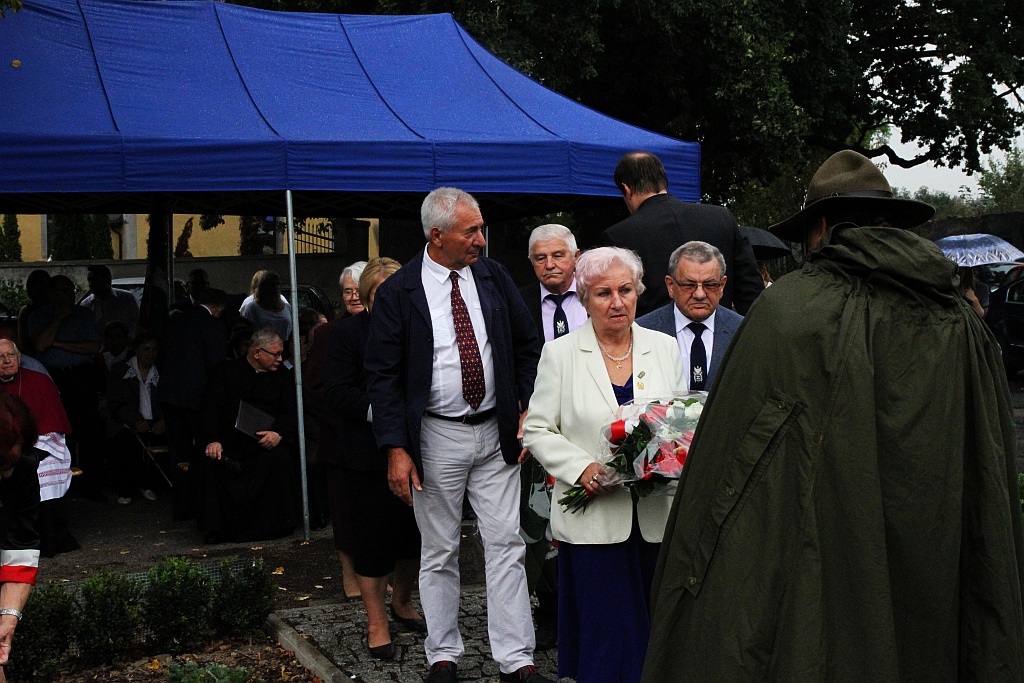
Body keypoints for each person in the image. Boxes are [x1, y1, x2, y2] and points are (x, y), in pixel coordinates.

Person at [642, 150, 1024, 681]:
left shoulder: (789, 310)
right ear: (889, 223)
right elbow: (990, 470)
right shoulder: (960, 317)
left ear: (819, 228)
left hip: (826, 578)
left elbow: (728, 479)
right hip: (937, 573)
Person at [365, 187, 548, 683]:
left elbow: (529, 345)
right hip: (435, 437)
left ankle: (517, 659)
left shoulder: (492, 276)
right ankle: (442, 655)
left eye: (481, 227)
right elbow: (381, 376)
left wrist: (526, 405)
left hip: (496, 433)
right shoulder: (401, 291)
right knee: (439, 548)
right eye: (471, 231)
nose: (481, 239)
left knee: (506, 543)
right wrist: (397, 448)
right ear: (436, 234)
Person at [522, 247, 686, 683]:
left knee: (654, 631)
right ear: (583, 297)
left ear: (639, 293)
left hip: (653, 518)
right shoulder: (560, 354)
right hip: (593, 519)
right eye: (603, 293)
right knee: (605, 634)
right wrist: (582, 469)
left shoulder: (665, 347)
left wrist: (664, 458)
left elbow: (678, 421)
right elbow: (538, 430)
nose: (617, 302)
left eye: (626, 290)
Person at [324, 257, 423, 661]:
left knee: (411, 538)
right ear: (366, 295)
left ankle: (402, 603)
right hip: (363, 456)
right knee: (371, 543)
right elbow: (336, 391)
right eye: (383, 291)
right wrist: (383, 410)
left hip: (418, 451)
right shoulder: (346, 335)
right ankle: (376, 623)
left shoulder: (420, 332)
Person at [518, 223, 587, 651]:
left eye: (558, 255)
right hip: (538, 431)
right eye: (541, 258)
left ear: (575, 257)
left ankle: (586, 608)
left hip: (589, 426)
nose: (550, 265)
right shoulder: (519, 304)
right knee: (540, 525)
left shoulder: (600, 294)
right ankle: (550, 613)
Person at [602, 151, 763, 317]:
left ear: (627, 189)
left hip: (653, 338)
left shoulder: (619, 236)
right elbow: (750, 290)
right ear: (663, 180)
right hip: (720, 337)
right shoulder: (722, 218)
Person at [304, 262, 372, 601]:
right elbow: (317, 388)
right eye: (347, 291)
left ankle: (376, 575)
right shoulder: (327, 334)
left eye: (359, 289)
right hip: (341, 438)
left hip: (378, 440)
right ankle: (349, 574)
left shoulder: (385, 328)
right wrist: (353, 416)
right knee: (345, 514)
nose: (353, 296)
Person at [200, 328, 299, 544]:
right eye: (275, 354)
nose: (280, 359)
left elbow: (290, 411)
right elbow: (210, 408)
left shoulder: (282, 375)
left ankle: (274, 525)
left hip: (265, 444)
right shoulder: (225, 372)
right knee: (213, 462)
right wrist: (212, 439)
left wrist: (278, 433)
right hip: (230, 444)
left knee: (280, 459)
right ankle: (218, 529)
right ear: (256, 353)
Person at [27, 275, 103, 497]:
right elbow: (40, 344)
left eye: (72, 291)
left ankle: (92, 486)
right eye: (64, 291)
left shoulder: (84, 314)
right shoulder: (38, 316)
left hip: (82, 376)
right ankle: (60, 485)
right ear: (51, 293)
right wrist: (59, 319)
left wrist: (58, 343)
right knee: (58, 432)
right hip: (53, 378)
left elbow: (94, 346)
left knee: (89, 430)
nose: (70, 295)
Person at [0, 340, 77, 557]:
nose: (6, 361)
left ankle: (48, 540)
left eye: (11, 355)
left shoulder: (39, 381)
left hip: (40, 443)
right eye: (0, 357)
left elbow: (53, 426)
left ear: (19, 358)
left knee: (42, 469)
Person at [158, 288, 227, 521]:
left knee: (178, 453)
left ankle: (181, 506)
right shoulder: (214, 326)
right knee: (205, 449)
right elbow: (217, 366)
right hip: (199, 398)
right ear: (219, 307)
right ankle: (203, 505)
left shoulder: (176, 322)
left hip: (171, 395)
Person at [636, 241, 742, 391]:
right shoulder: (642, 331)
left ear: (722, 285)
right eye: (689, 285)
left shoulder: (743, 331)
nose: (700, 294)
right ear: (670, 285)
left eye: (710, 284)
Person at [0, 394, 42, 683]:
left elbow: (21, 546)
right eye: (2, 467)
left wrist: (8, 618)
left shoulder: (25, 466)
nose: (8, 476)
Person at [106, 333, 165, 505]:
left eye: (154, 349)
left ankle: (151, 485)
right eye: (146, 349)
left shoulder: (161, 371)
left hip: (155, 421)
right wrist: (136, 421)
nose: (150, 353)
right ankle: (126, 488)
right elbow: (116, 402)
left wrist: (162, 421)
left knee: (162, 441)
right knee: (127, 443)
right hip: (126, 423)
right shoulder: (120, 370)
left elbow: (167, 401)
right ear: (136, 350)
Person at [79, 265, 141, 338]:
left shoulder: (127, 298)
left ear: (107, 280)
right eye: (89, 280)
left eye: (95, 280)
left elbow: (140, 323)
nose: (91, 284)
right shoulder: (86, 305)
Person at [238, 270, 292, 342]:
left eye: (278, 284)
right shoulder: (252, 307)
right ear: (264, 287)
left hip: (285, 347)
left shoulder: (287, 307)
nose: (276, 287)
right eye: (272, 285)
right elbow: (244, 329)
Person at [16, 269, 50, 358]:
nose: (39, 288)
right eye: (35, 284)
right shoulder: (26, 311)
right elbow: (24, 343)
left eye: (43, 284)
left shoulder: (59, 309)